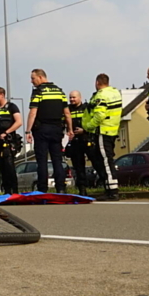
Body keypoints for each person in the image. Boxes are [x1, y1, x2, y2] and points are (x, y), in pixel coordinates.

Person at [26, 69, 72, 193]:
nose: (31, 81)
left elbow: (33, 112)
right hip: (57, 129)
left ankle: (42, 189)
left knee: (42, 161)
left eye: (33, 78)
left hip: (42, 129)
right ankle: (61, 188)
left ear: (41, 77)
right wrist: (70, 129)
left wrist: (27, 131)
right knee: (57, 160)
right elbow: (67, 113)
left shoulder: (38, 92)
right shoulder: (59, 91)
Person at [82, 73, 123, 201]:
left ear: (98, 83)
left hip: (103, 131)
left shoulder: (101, 95)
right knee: (107, 160)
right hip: (112, 130)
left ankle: (112, 191)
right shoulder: (115, 93)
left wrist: (88, 126)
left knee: (106, 161)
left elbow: (100, 115)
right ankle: (110, 188)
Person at [0, 87, 23, 195]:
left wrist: (7, 132)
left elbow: (19, 122)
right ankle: (6, 191)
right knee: (2, 168)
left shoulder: (11, 107)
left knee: (9, 166)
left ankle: (14, 191)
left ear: (2, 95)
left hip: (8, 141)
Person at [65, 91, 90, 196]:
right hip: (75, 141)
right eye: (70, 98)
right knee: (78, 167)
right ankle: (82, 190)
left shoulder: (86, 108)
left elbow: (92, 122)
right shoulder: (67, 109)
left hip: (87, 138)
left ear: (80, 97)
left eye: (74, 97)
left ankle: (105, 186)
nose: (71, 100)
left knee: (97, 162)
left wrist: (84, 130)